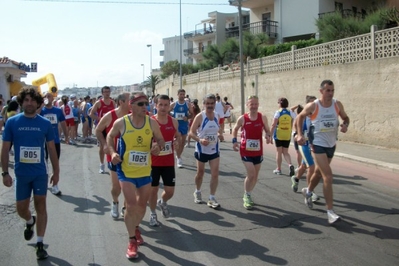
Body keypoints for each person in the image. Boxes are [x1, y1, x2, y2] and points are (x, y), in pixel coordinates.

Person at [1, 86, 60, 260]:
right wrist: (5, 173)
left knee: (41, 205)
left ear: (38, 103)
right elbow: (4, 149)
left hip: (40, 173)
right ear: (21, 102)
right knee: (21, 209)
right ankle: (29, 221)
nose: (29, 103)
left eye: (33, 100)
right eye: (26, 100)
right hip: (21, 174)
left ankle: (40, 243)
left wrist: (56, 172)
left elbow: (51, 149)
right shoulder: (12, 122)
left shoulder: (45, 123)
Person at [106, 92, 165, 259]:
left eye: (146, 103)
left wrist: (158, 146)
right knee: (131, 206)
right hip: (126, 171)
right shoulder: (121, 123)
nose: (144, 107)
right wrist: (112, 152)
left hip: (145, 171)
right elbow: (110, 137)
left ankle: (135, 227)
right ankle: (131, 240)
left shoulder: (151, 123)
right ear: (131, 106)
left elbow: (161, 140)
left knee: (141, 206)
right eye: (140, 104)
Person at [296, 80, 350, 224]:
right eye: (328, 90)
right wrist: (299, 134)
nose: (330, 93)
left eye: (332, 90)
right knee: (328, 176)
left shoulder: (337, 104)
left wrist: (345, 124)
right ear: (321, 91)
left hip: (331, 144)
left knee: (319, 173)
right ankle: (330, 212)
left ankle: (307, 191)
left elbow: (345, 117)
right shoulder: (314, 106)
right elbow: (299, 117)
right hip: (317, 144)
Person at [232, 95, 272, 209]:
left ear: (258, 105)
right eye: (251, 104)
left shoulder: (262, 117)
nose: (253, 106)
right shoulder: (243, 118)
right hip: (245, 150)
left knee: (255, 176)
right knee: (251, 174)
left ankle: (248, 193)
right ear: (247, 105)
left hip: (258, 151)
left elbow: (267, 130)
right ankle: (247, 195)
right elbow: (235, 129)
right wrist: (234, 141)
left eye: (255, 104)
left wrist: (268, 136)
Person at [95, 92, 130, 219]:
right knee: (116, 187)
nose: (132, 103)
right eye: (129, 100)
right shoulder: (110, 116)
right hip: (114, 155)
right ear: (121, 102)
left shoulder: (134, 115)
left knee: (129, 187)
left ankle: (126, 207)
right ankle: (115, 202)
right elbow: (98, 130)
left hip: (130, 157)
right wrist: (104, 144)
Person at [148, 95, 181, 226]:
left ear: (169, 106)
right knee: (153, 190)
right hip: (153, 163)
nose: (163, 107)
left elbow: (177, 135)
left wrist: (177, 141)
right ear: (156, 105)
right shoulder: (150, 121)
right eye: (160, 104)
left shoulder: (173, 121)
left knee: (170, 191)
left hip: (168, 162)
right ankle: (152, 213)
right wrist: (151, 147)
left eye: (166, 105)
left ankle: (162, 202)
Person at [189, 94, 224, 209]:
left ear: (215, 104)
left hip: (214, 149)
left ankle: (212, 198)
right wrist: (200, 139)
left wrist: (219, 135)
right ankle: (197, 191)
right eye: (207, 103)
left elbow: (218, 130)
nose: (209, 106)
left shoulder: (217, 116)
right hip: (201, 149)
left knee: (215, 174)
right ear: (203, 104)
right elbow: (191, 132)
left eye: (212, 103)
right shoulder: (200, 116)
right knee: (200, 173)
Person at [291, 96, 320, 202]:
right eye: (312, 104)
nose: (314, 106)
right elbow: (295, 133)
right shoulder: (300, 118)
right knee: (311, 167)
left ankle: (296, 178)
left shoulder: (317, 117)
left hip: (313, 145)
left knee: (303, 166)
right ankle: (310, 192)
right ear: (307, 105)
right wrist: (298, 136)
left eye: (315, 104)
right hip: (303, 145)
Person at [40, 92, 69, 195]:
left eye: (49, 96)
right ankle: (43, 181)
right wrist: (41, 106)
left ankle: (55, 185)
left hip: (54, 140)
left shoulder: (57, 111)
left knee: (55, 163)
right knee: (43, 163)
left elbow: (63, 123)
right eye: (45, 96)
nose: (47, 98)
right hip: (42, 142)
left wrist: (66, 136)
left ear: (53, 99)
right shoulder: (41, 111)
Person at [90, 86, 116, 173]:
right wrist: (100, 119)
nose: (107, 93)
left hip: (111, 127)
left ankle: (112, 162)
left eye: (108, 91)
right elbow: (91, 114)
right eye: (105, 92)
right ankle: (101, 164)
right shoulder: (99, 103)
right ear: (102, 93)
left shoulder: (113, 103)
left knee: (113, 145)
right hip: (102, 128)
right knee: (102, 147)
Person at [270, 97, 296, 176]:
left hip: (279, 134)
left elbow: (273, 124)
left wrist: (270, 135)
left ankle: (278, 169)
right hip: (287, 134)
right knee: (285, 152)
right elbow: (297, 119)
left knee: (279, 152)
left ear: (280, 104)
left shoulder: (278, 112)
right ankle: (290, 165)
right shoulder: (290, 112)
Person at [170, 89, 193, 168]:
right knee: (178, 141)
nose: (182, 96)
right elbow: (167, 112)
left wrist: (187, 117)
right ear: (178, 95)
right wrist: (172, 117)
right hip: (176, 125)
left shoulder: (187, 104)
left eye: (183, 94)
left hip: (184, 125)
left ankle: (178, 155)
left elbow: (192, 114)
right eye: (181, 94)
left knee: (183, 142)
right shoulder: (174, 104)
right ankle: (179, 157)